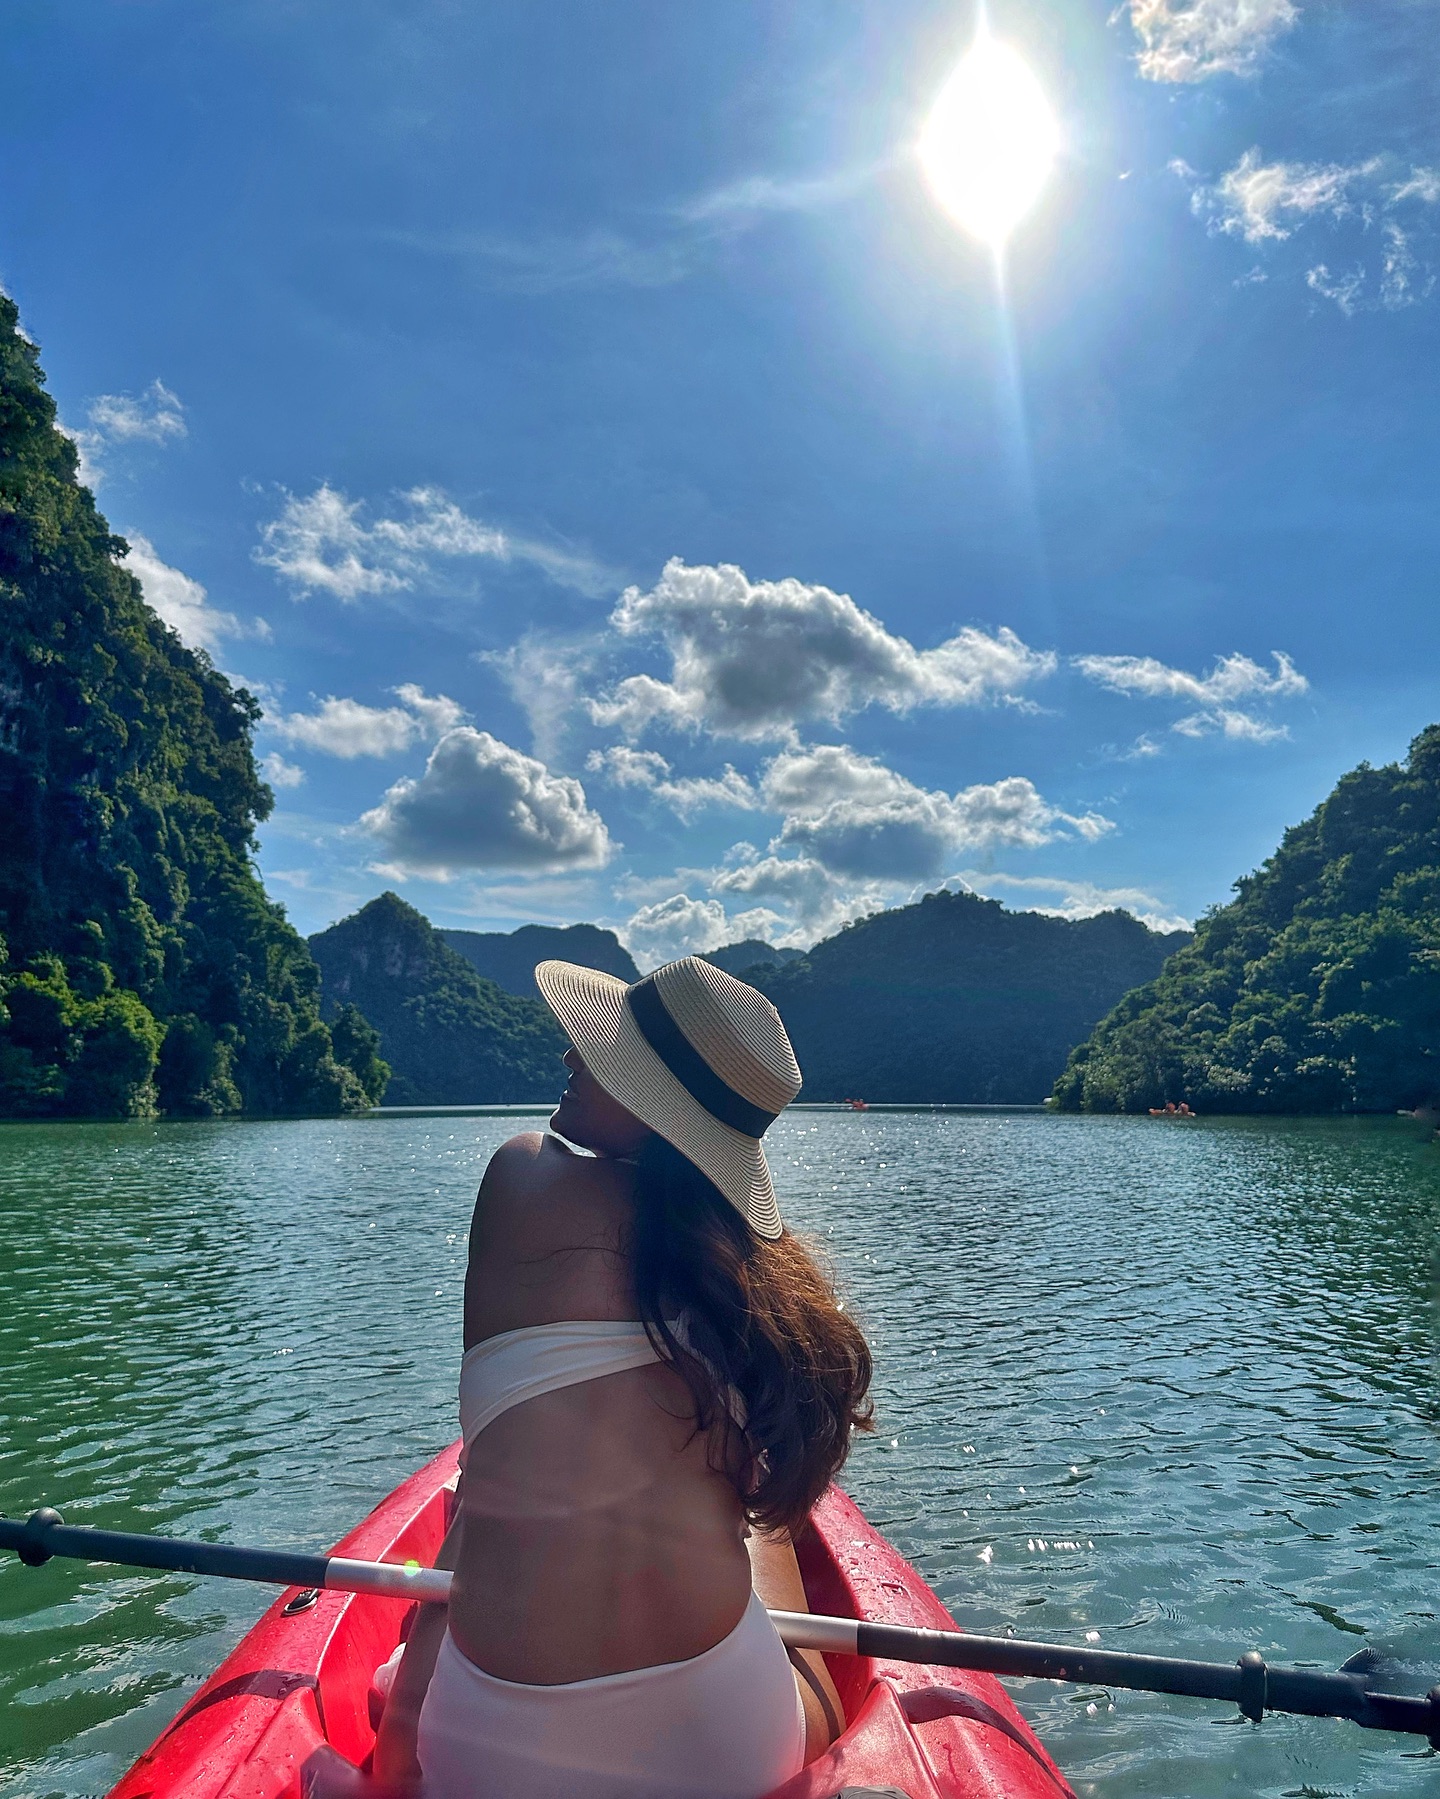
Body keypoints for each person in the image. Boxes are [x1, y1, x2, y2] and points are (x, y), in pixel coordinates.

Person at [371, 955, 874, 1798]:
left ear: (656, 1105)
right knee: (769, 1526)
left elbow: (487, 1506)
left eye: (605, 1054)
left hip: (493, 1760)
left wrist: (399, 1741)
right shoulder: (751, 1281)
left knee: (493, 1476)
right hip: (726, 1750)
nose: (572, 1057)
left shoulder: (520, 1178)